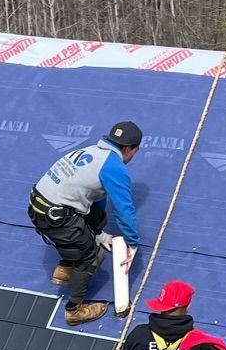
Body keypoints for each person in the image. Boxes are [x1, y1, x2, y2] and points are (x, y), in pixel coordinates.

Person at [28, 120, 143, 326]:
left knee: (95, 220)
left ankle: (65, 268)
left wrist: (99, 233)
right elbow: (124, 210)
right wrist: (132, 243)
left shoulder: (92, 151)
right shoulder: (114, 167)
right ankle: (75, 310)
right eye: (135, 152)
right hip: (55, 217)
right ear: (128, 149)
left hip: (39, 204)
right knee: (92, 256)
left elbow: (96, 201)